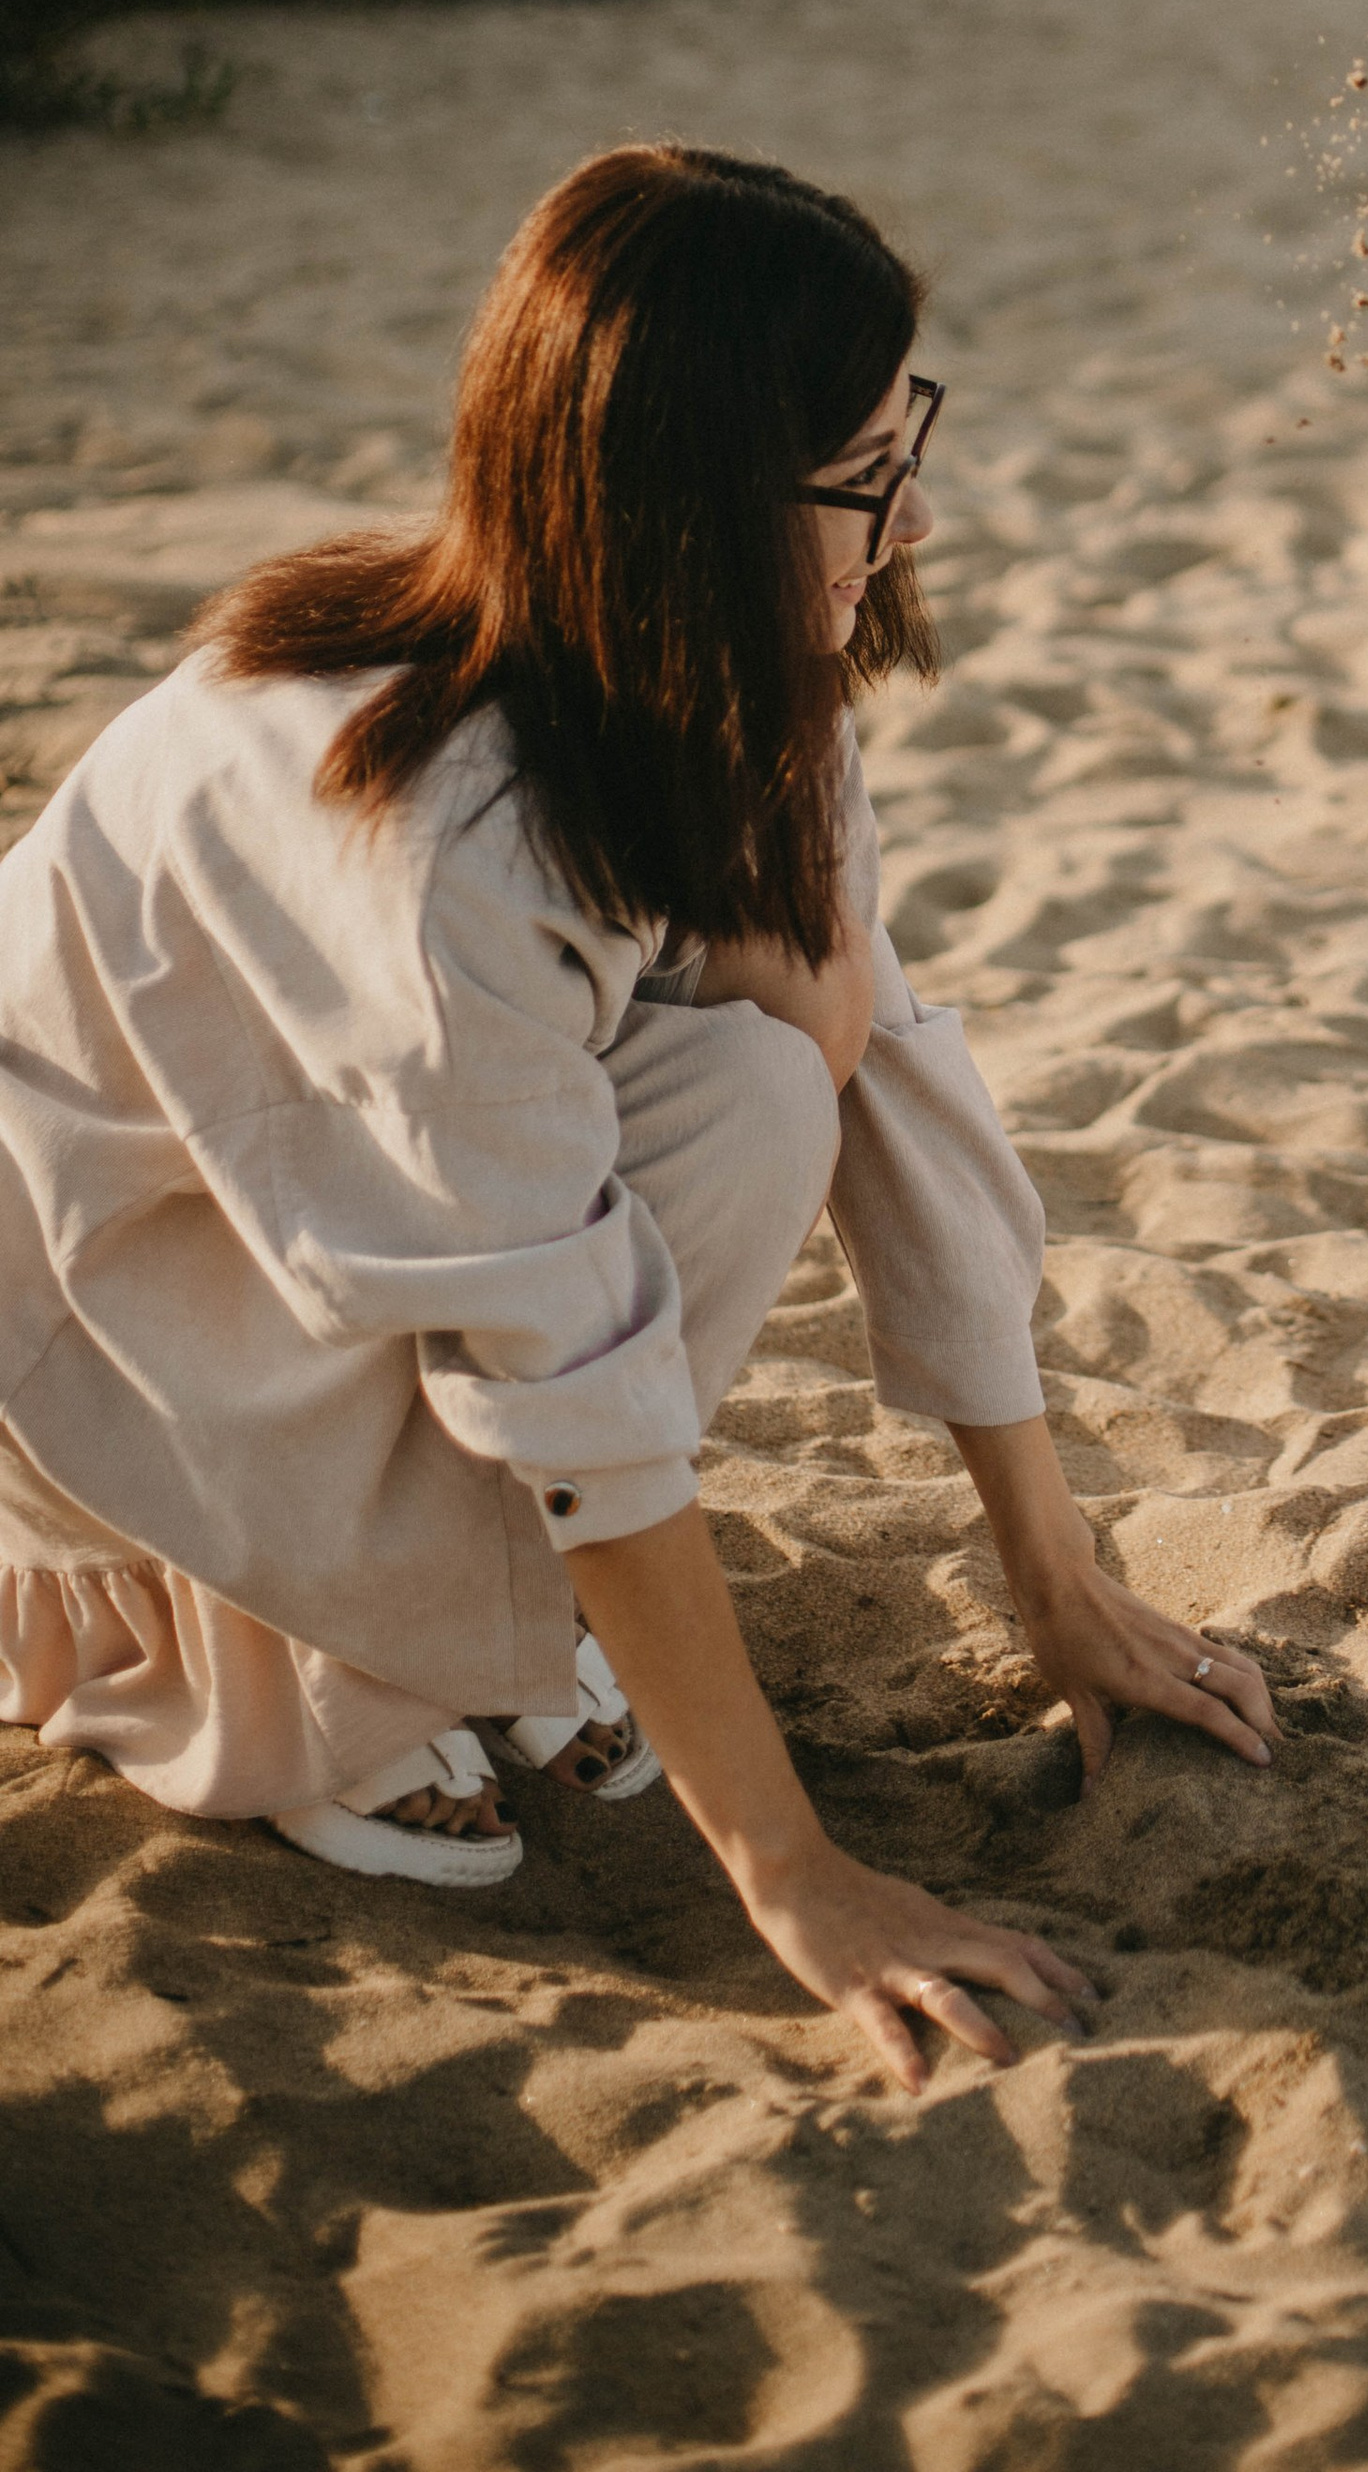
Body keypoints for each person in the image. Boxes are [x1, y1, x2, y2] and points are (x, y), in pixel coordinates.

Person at [0, 142, 1275, 2091]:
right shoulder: (439, 853)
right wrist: (793, 1877)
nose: (911, 512)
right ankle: (314, 1694)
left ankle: (458, 1617)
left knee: (779, 1071)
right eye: (861, 474)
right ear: (691, 510)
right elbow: (567, 1376)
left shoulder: (726, 684)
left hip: (318, 1222)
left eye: (899, 439)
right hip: (92, 1319)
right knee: (727, 1115)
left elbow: (897, 1081)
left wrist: (1055, 1576)